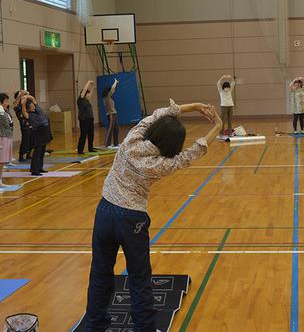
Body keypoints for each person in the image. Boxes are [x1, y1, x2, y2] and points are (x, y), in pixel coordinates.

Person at [84, 99, 222, 331]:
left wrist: (195, 106)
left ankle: (95, 326)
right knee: (139, 279)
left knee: (100, 272)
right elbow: (193, 152)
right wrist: (217, 126)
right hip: (132, 220)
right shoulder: (162, 163)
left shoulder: (132, 139)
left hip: (105, 212)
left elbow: (158, 113)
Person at [0, 93, 20, 192]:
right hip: (0, 138)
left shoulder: (4, 110)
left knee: (2, 162)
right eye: (6, 101)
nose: (7, 103)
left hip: (7, 137)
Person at [21, 95, 52, 176]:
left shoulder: (38, 110)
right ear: (28, 108)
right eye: (31, 106)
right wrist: (23, 103)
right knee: (37, 152)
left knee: (42, 152)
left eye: (32, 105)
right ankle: (34, 170)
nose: (33, 106)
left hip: (45, 132)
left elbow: (33, 99)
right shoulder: (29, 115)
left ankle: (40, 167)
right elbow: (23, 111)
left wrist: (27, 96)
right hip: (38, 133)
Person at [77, 81, 96, 154]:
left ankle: (90, 148)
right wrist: (88, 82)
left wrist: (93, 86)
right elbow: (84, 90)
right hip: (84, 120)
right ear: (84, 95)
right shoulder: (81, 100)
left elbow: (91, 93)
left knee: (91, 135)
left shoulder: (87, 101)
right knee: (83, 135)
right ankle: (80, 150)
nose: (89, 95)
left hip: (90, 120)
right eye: (87, 94)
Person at [13, 90, 32, 162]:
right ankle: (21, 155)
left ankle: (29, 154)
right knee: (25, 140)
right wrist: (19, 95)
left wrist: (27, 94)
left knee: (31, 140)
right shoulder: (18, 106)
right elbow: (15, 106)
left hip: (31, 123)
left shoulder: (27, 103)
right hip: (24, 125)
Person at [103, 79, 119, 148]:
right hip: (111, 115)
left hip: (114, 114)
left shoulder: (108, 98)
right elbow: (112, 88)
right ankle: (107, 144)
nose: (113, 91)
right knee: (110, 129)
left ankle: (116, 143)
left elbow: (112, 89)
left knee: (116, 129)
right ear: (108, 92)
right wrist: (115, 82)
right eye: (111, 91)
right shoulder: (107, 97)